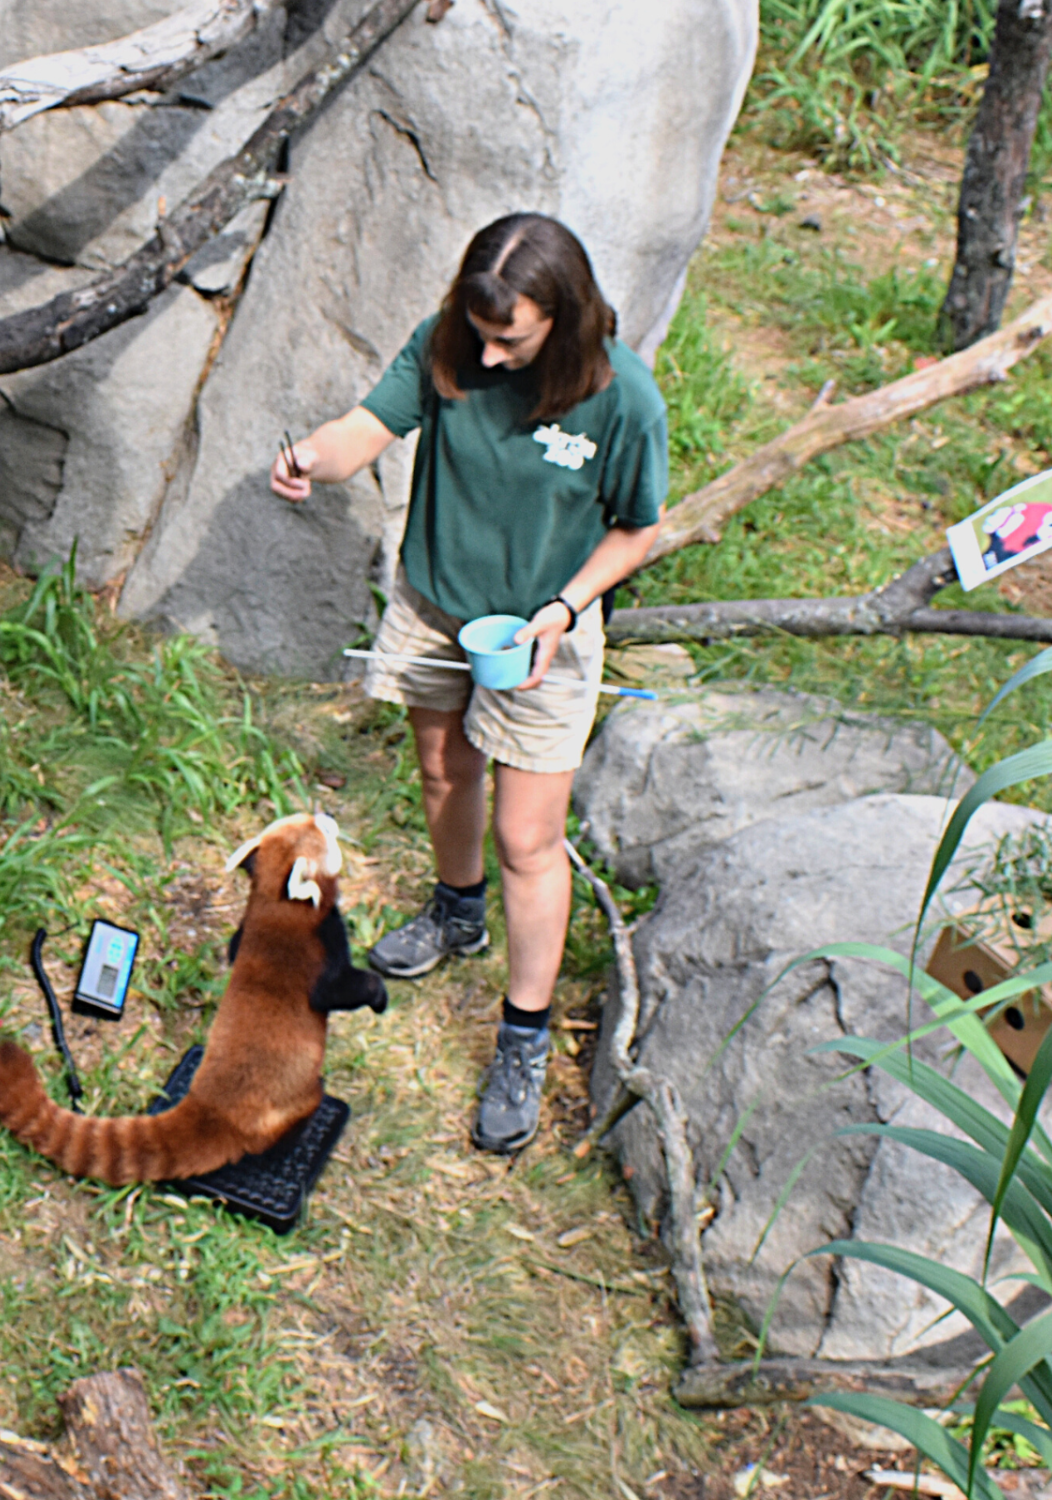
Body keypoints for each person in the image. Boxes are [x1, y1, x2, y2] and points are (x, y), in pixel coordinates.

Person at [270, 213, 666, 1153]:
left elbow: (637, 528)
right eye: (479, 331)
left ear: (561, 322)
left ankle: (522, 1036)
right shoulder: (449, 342)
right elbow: (367, 427)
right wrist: (311, 461)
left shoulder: (623, 399)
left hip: (542, 633)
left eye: (511, 338)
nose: (487, 357)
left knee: (530, 840)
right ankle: (456, 914)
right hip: (437, 599)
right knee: (445, 773)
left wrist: (562, 612)